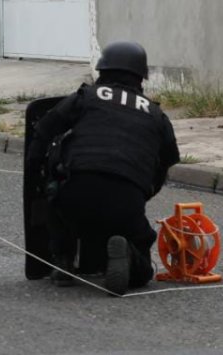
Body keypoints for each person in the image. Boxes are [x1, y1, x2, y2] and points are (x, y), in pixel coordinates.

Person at [26, 41, 180, 296]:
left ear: (102, 71)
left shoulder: (86, 97)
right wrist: (142, 193)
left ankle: (63, 259)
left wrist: (37, 175)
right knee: (144, 269)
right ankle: (129, 254)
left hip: (76, 193)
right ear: (141, 78)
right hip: (126, 200)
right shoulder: (156, 115)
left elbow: (44, 128)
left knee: (56, 199)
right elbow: (168, 160)